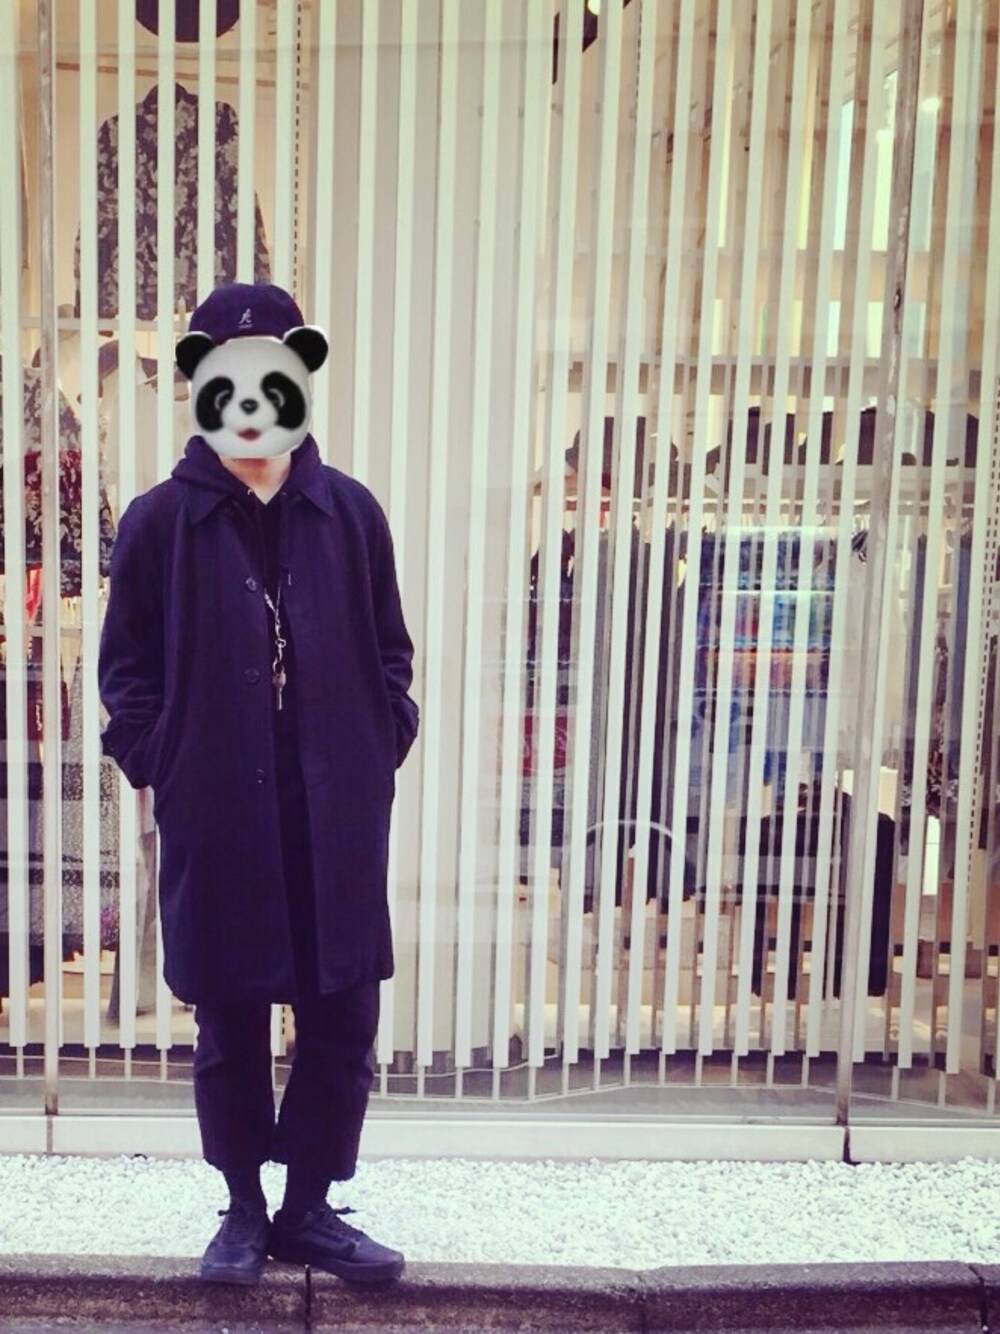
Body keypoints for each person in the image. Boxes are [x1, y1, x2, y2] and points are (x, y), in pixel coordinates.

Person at [98, 282, 418, 1287]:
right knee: (229, 1016)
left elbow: (391, 653)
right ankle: (241, 1204)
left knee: (341, 1014)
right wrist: (165, 760)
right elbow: (127, 675)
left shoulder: (350, 513)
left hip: (335, 808)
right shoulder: (158, 523)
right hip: (219, 806)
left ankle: (310, 1205)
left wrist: (380, 740)